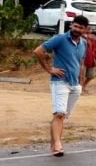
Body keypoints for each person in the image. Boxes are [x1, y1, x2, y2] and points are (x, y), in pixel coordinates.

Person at [32, 15, 89, 157]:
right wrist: (49, 69)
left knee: (61, 116)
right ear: (71, 26)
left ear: (85, 29)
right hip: (60, 82)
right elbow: (38, 51)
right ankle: (58, 145)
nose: (77, 29)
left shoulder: (83, 43)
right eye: (75, 26)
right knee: (59, 114)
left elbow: (81, 63)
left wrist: (81, 82)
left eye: (80, 28)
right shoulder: (60, 38)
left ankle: (53, 145)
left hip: (75, 85)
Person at [82, 26, 96, 94]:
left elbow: (95, 50)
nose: (89, 30)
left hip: (91, 58)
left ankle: (83, 86)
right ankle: (81, 88)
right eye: (87, 29)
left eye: (90, 29)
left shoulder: (93, 38)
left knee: (90, 75)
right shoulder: (81, 38)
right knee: (81, 75)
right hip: (83, 59)